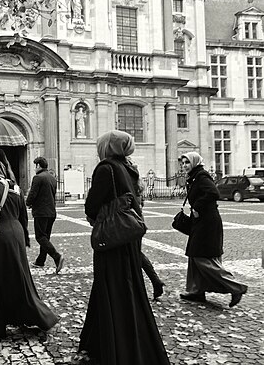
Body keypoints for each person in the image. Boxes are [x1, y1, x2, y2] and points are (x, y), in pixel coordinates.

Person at [79, 130, 170, 365]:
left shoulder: (106, 168)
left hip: (112, 237)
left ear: (107, 147)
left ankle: (113, 344)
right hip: (128, 236)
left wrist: (94, 215)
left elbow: (91, 205)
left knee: (110, 285)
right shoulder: (129, 167)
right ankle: (107, 338)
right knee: (127, 285)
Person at [0, 157, 59, 345]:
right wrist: (23, 237)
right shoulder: (15, 188)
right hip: (15, 234)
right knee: (18, 278)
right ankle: (40, 316)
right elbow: (23, 216)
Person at [179, 152, 247, 307]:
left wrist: (197, 206)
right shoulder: (194, 177)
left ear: (195, 163)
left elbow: (213, 193)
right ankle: (196, 291)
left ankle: (236, 287)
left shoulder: (201, 176)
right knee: (194, 255)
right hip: (200, 221)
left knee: (200, 257)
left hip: (207, 223)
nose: (184, 166)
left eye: (187, 163)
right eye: (183, 163)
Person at [25, 156, 65, 274]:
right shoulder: (52, 178)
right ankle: (40, 261)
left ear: (38, 166)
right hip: (51, 212)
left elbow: (33, 194)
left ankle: (57, 257)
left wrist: (28, 203)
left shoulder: (38, 178)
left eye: (35, 165)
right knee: (45, 237)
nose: (34, 168)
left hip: (41, 212)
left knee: (40, 237)